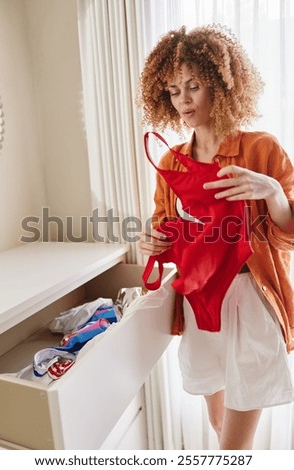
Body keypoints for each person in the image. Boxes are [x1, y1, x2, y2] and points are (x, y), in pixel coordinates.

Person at [136, 24, 294, 450]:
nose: (183, 100)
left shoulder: (262, 148)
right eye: (172, 90)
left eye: (193, 86)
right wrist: (155, 243)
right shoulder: (172, 161)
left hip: (251, 298)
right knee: (218, 421)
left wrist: (272, 190)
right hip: (200, 304)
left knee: (232, 447)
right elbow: (167, 234)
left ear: (221, 86)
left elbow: (289, 231)